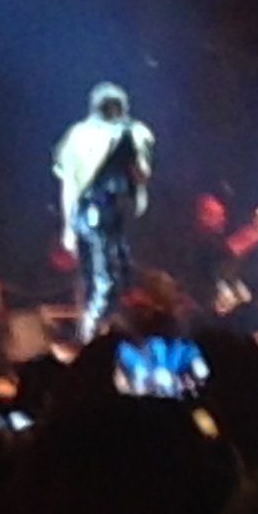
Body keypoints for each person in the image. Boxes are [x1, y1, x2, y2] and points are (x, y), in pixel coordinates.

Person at [55, 83, 156, 337]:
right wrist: (68, 227)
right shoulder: (80, 136)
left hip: (115, 213)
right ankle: (90, 335)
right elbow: (70, 183)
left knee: (123, 276)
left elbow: (141, 175)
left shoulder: (132, 134)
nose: (113, 112)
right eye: (108, 107)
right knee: (103, 281)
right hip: (92, 213)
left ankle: (115, 332)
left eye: (116, 107)